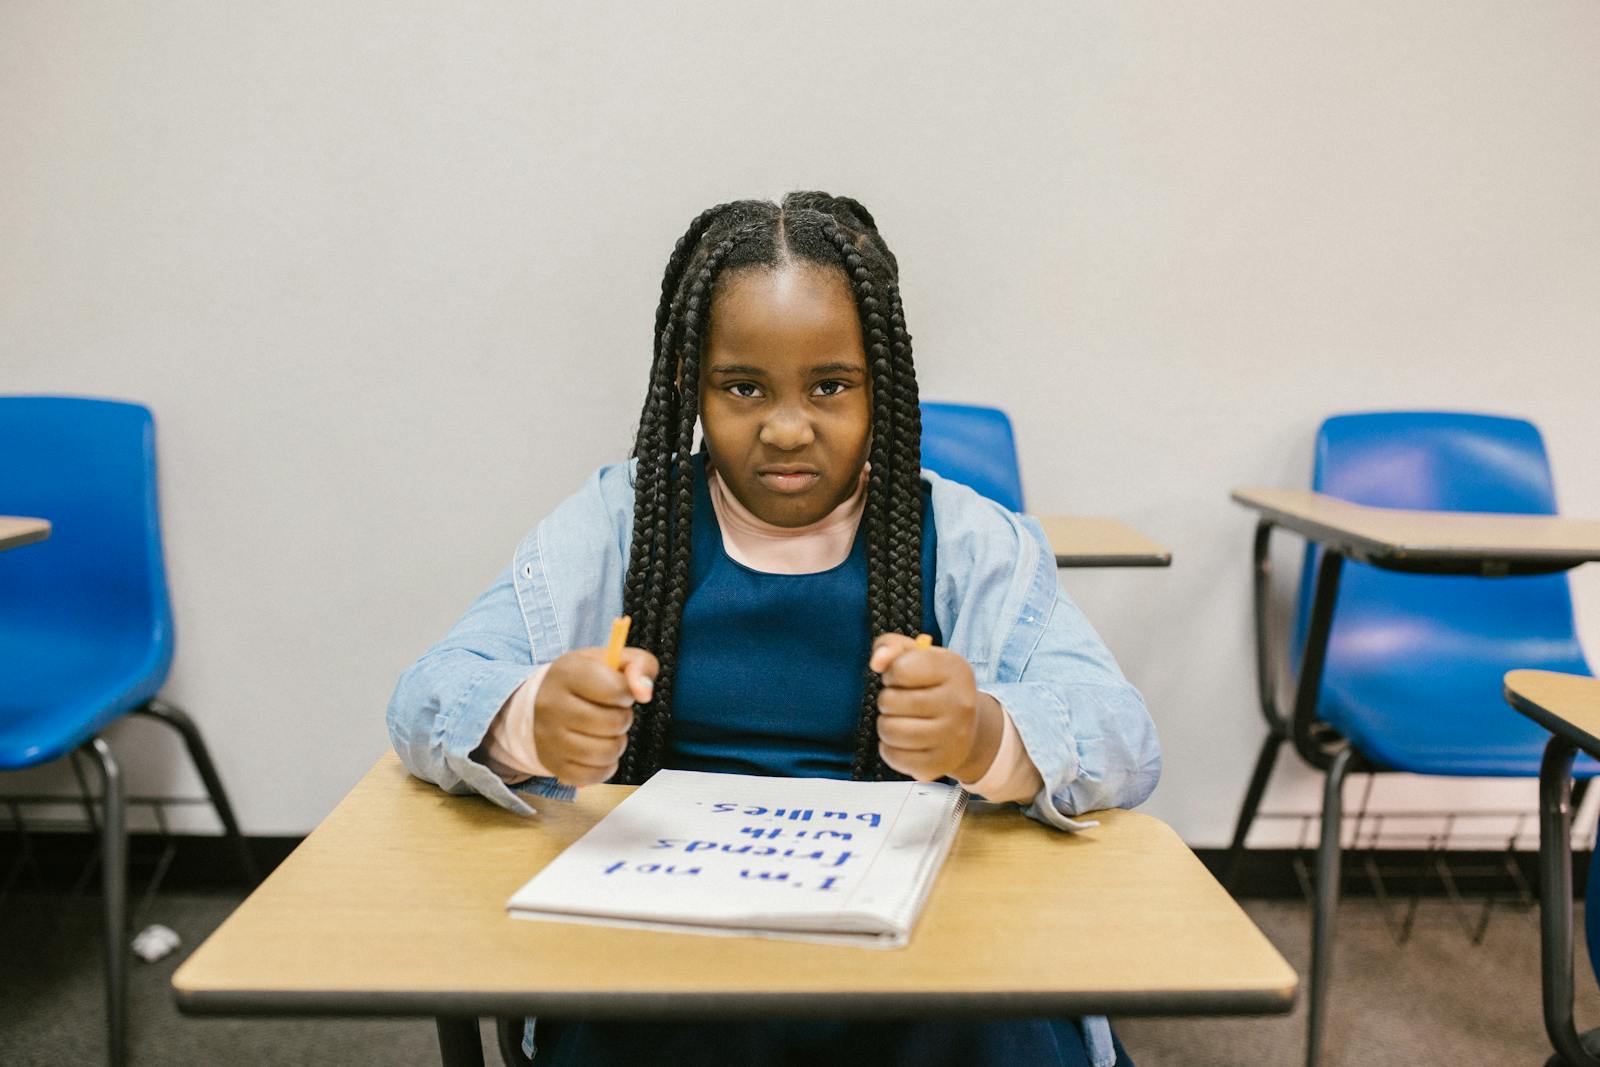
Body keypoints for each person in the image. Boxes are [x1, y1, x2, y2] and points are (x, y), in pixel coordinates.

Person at [387, 192, 1161, 1067]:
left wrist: (988, 733)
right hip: (666, 943)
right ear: (690, 384)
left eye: (830, 386)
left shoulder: (972, 541)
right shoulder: (618, 522)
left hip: (921, 946)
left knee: (1002, 1034)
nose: (788, 427)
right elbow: (429, 691)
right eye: (743, 386)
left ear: (885, 387)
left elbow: (1124, 734)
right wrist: (527, 716)